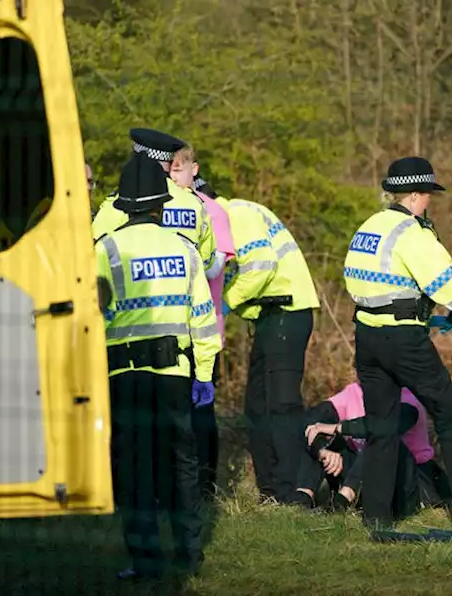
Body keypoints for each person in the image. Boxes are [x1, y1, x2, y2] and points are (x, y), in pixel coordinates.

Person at [342, 156, 452, 535]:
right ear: (414, 194)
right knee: (451, 416)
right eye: (427, 194)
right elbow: (450, 289)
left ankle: (377, 518)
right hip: (404, 340)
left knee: (381, 427)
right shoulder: (412, 233)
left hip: (366, 336)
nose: (429, 201)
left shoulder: (369, 226)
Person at [95, 154, 220, 580]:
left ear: (125, 204)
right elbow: (202, 317)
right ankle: (189, 554)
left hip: (123, 375)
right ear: (160, 205)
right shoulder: (184, 249)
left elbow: (95, 318)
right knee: (181, 463)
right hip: (174, 374)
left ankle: (145, 561)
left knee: (132, 467)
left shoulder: (105, 248)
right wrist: (204, 373)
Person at [216, 194, 320, 507]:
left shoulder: (238, 214)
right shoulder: (225, 222)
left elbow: (261, 268)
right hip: (269, 317)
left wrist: (222, 304)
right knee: (258, 407)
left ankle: (289, 493)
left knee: (282, 406)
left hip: (287, 312)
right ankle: (271, 491)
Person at [167, 150, 236, 500]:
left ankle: (205, 490)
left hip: (204, 331)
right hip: (166, 327)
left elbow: (214, 269)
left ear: (194, 169)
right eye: (169, 170)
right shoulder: (158, 208)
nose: (173, 175)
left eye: (179, 169)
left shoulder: (212, 210)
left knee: (202, 414)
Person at [301, 382, 450, 518]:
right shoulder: (354, 392)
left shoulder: (408, 397)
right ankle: (301, 500)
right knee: (318, 434)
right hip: (364, 475)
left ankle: (343, 500)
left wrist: (337, 428)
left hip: (406, 482)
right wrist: (323, 450)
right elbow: (311, 419)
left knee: (382, 439)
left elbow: (384, 426)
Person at [92, 128, 221, 283]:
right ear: (170, 163)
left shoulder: (123, 200)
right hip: (183, 298)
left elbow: (96, 252)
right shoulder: (194, 203)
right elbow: (207, 264)